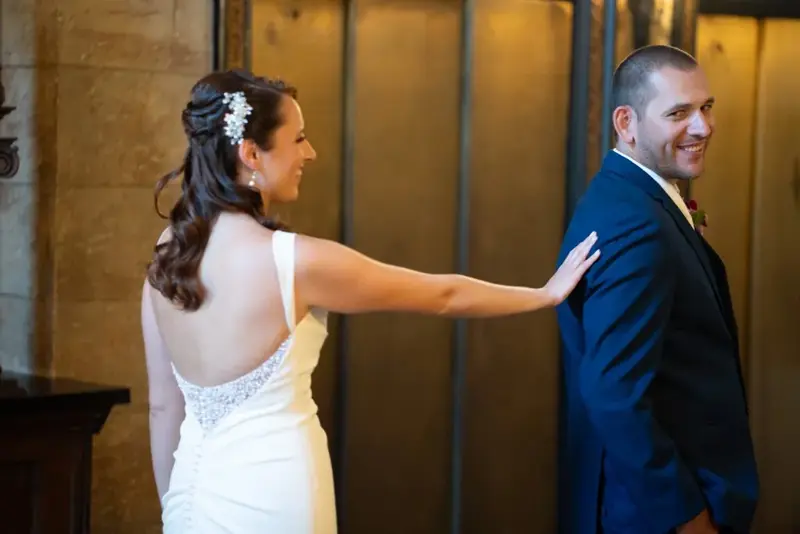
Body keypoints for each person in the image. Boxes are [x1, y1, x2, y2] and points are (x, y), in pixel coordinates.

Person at [142, 69, 600, 534]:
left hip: (189, 491)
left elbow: (163, 407)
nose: (310, 152)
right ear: (251, 153)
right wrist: (545, 294)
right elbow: (442, 295)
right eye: (298, 138)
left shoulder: (168, 255)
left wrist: (174, 506)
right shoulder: (295, 262)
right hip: (274, 489)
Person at [556, 45, 759, 534]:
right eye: (679, 113)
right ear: (626, 122)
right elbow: (614, 394)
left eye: (706, 107)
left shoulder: (636, 198)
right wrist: (687, 518)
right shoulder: (634, 222)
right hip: (656, 513)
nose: (703, 127)